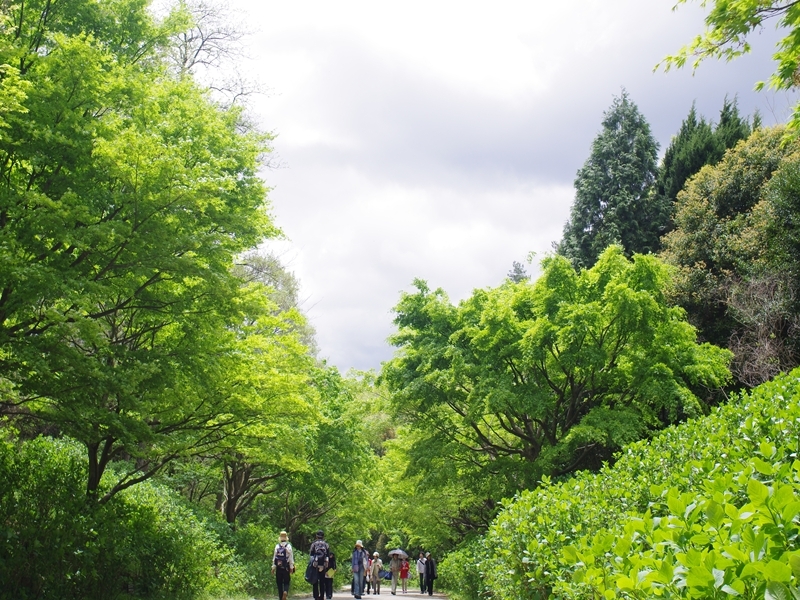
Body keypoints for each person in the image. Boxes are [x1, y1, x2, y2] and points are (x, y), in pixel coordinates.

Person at [271, 530, 295, 600]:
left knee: (279, 583)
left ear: (280, 538)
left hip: (279, 567)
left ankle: (280, 597)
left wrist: (273, 568)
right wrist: (291, 567)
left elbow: (274, 558)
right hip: (286, 567)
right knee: (286, 582)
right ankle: (285, 592)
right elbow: (291, 558)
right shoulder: (289, 546)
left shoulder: (277, 546)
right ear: (286, 538)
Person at [309, 530, 330, 600]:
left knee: (315, 580)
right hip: (323, 564)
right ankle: (322, 596)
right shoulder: (326, 544)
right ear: (323, 537)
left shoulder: (314, 544)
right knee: (322, 581)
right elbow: (328, 554)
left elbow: (311, 554)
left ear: (316, 536)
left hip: (315, 564)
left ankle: (316, 596)